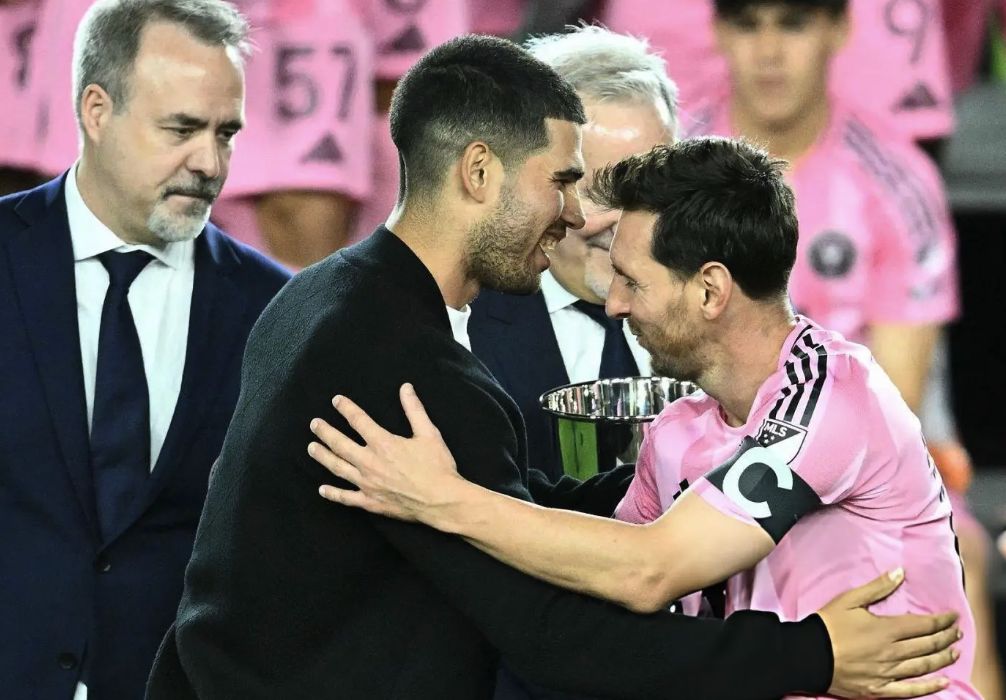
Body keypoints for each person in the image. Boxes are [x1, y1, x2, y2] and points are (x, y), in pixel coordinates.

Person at [148, 35, 957, 700]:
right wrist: (809, 656)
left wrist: (467, 499)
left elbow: (542, 515)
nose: (578, 216)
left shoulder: (325, 294)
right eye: (564, 181)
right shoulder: (409, 372)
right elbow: (564, 637)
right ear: (478, 173)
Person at [306, 138, 975, 699]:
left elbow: (649, 569)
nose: (615, 304)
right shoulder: (679, 429)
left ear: (710, 290)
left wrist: (443, 501)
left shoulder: (831, 396)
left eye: (632, 279)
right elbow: (609, 579)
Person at [686, 2, 1002, 695]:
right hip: (696, 462)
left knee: (962, 559)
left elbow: (897, 405)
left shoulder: (898, 180)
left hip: (855, 474)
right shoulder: (675, 172)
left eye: (793, 23)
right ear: (716, 32)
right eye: (747, 23)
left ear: (837, 30)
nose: (769, 51)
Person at [0, 1, 290, 698]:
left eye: (226, 133)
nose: (209, 162)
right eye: (182, 129)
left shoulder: (273, 307)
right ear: (96, 111)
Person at [469, 25, 671, 480]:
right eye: (599, 189)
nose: (627, 223)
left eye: (653, 189)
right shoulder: (461, 319)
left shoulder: (732, 301)